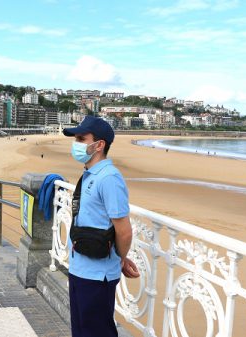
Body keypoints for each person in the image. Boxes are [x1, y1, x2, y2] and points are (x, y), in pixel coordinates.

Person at [62, 116, 139, 337]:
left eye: (81, 138)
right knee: (81, 330)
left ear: (99, 144)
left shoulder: (109, 178)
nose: (76, 144)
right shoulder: (90, 174)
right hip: (80, 267)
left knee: (96, 331)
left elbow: (123, 230)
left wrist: (120, 259)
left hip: (98, 275)